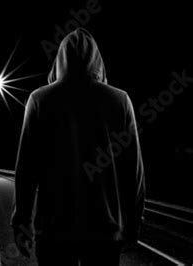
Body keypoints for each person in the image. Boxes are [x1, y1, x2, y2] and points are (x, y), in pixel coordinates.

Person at [11, 28, 145, 266]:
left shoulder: (39, 99)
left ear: (60, 59)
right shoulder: (120, 100)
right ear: (98, 60)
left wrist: (21, 222)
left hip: (54, 231)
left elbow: (26, 170)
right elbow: (133, 171)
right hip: (104, 231)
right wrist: (133, 223)